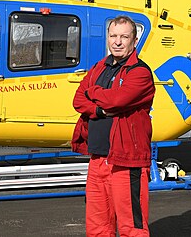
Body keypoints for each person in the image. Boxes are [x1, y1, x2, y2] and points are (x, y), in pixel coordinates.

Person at [72, 15, 155, 237]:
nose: (118, 42)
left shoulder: (140, 72)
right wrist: (99, 109)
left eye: (124, 37)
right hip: (98, 158)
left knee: (132, 228)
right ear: (108, 38)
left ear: (134, 41)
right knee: (98, 228)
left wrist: (93, 92)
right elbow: (78, 100)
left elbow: (116, 100)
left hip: (126, 160)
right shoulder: (101, 66)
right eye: (114, 36)